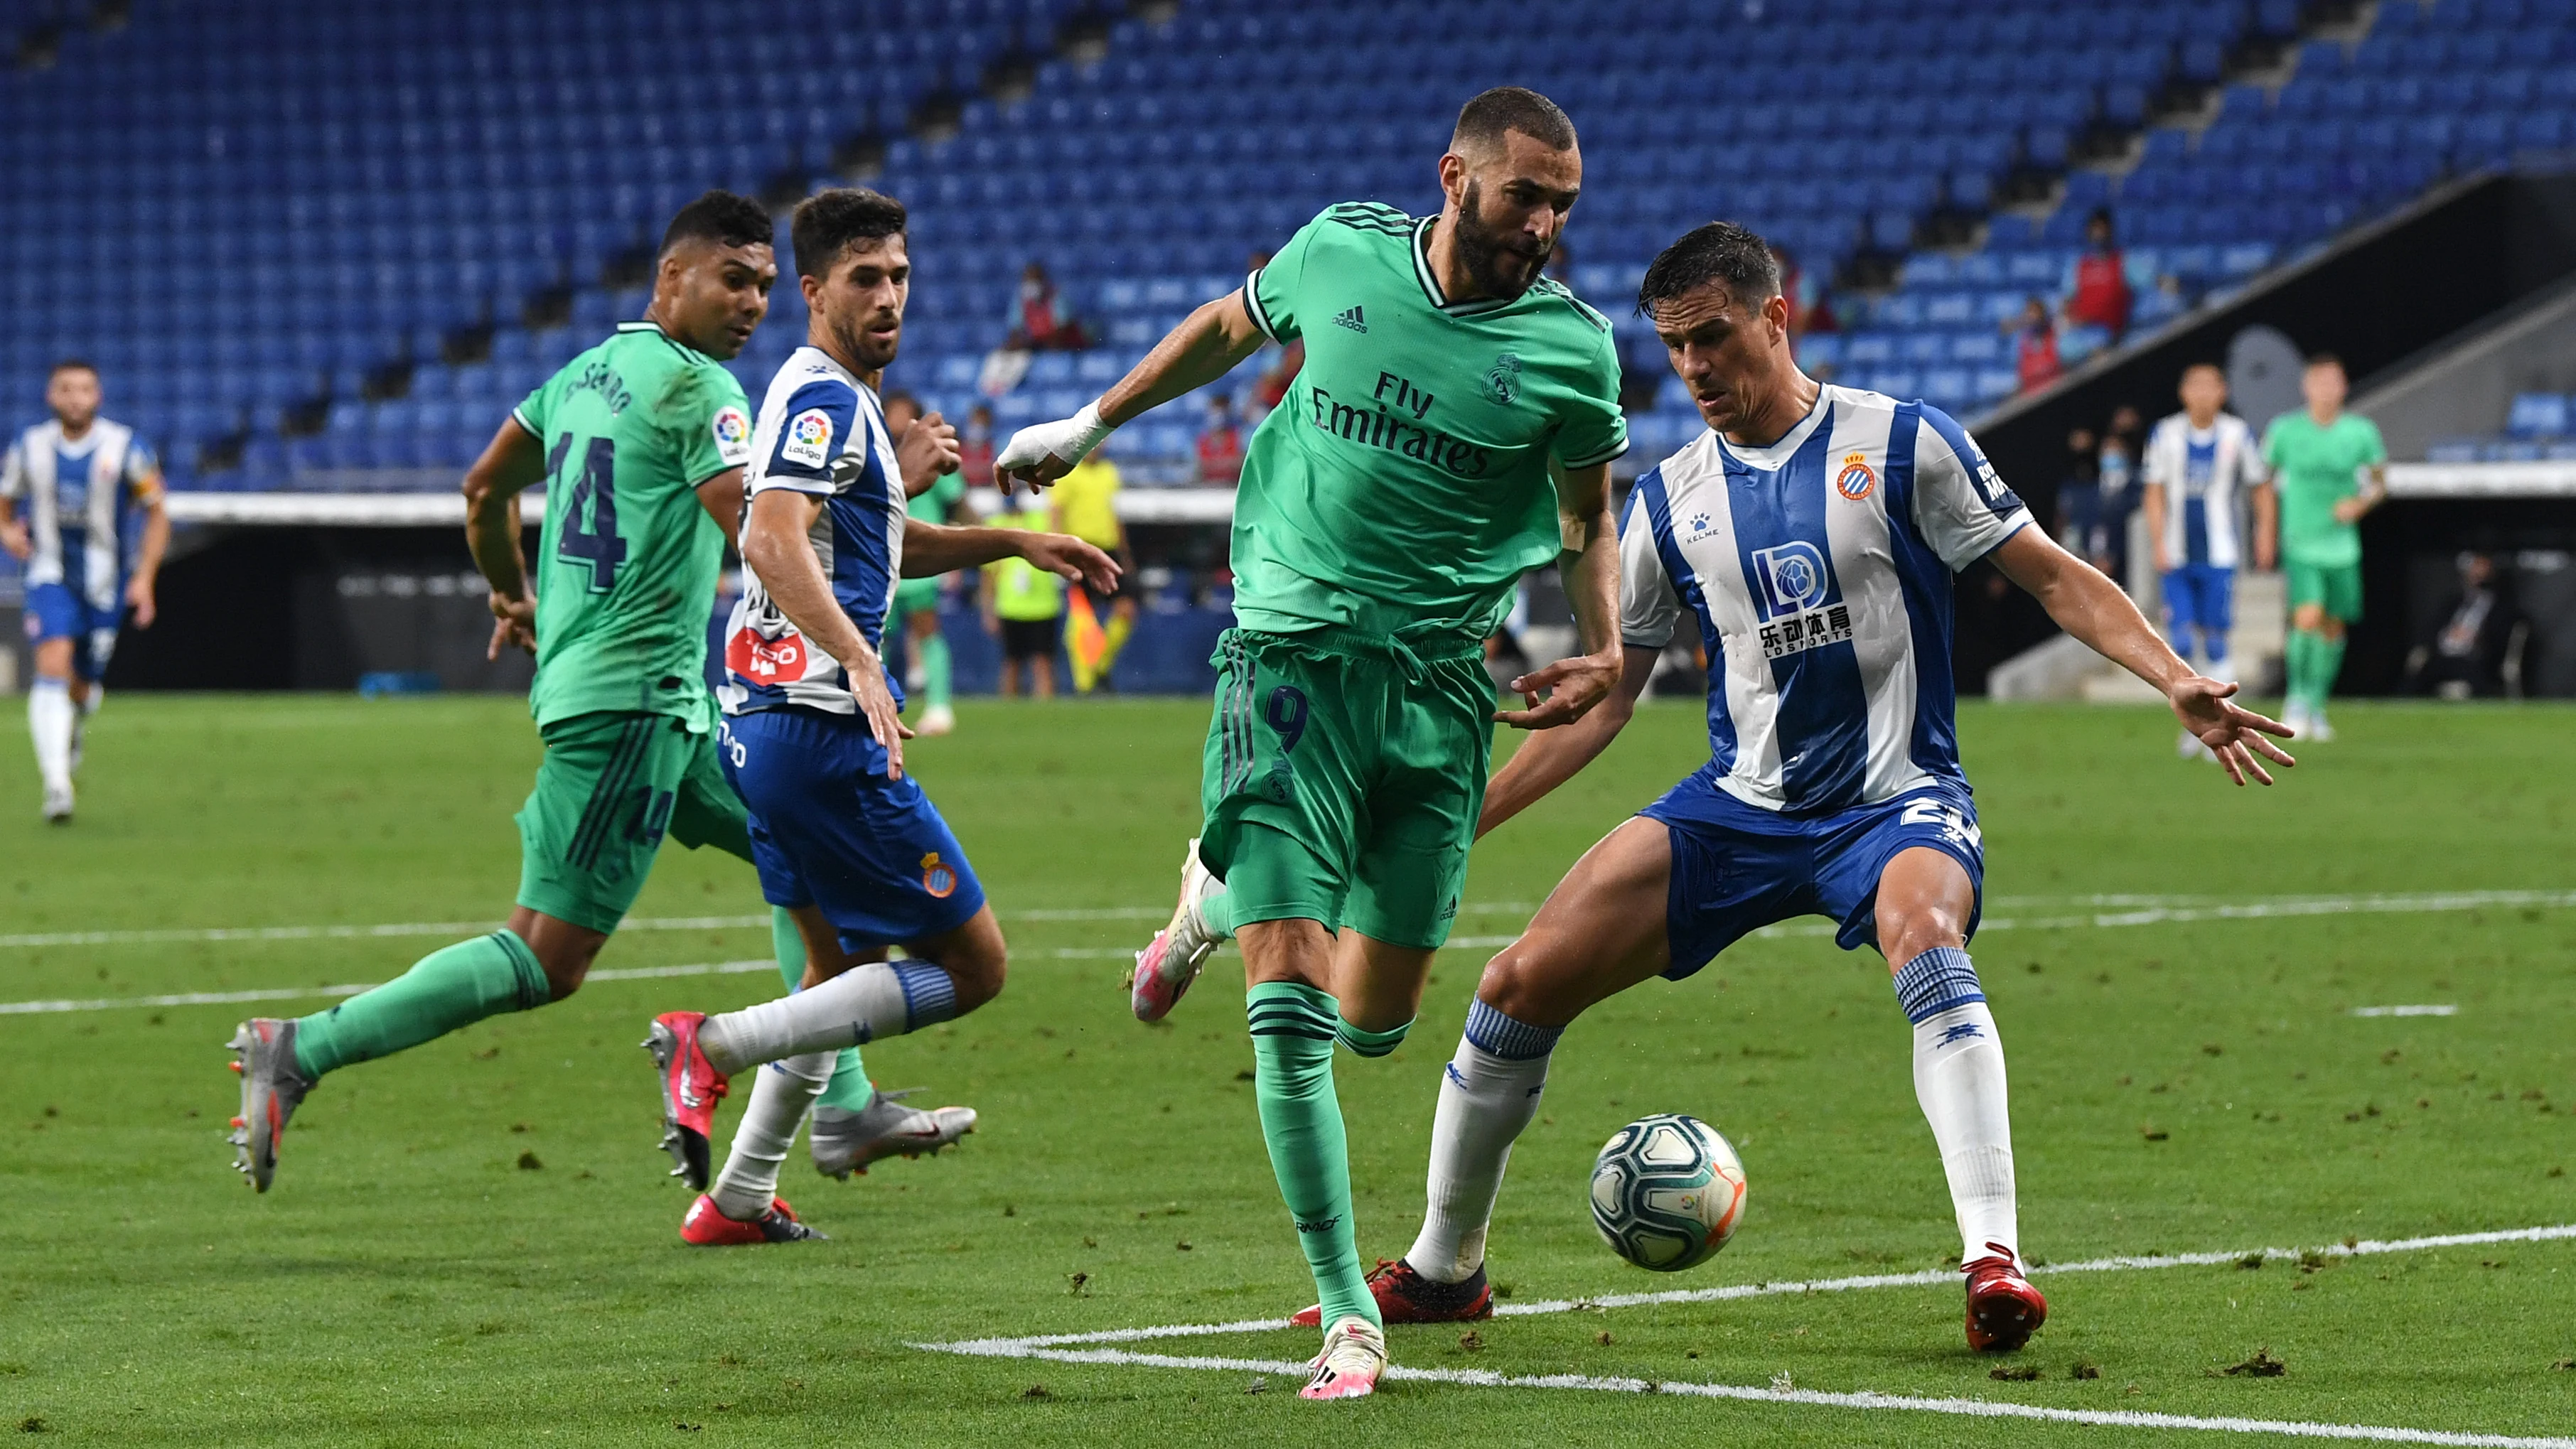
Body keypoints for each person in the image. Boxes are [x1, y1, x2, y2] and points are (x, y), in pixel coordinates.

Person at [1326, 220, 2293, 1354]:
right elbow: (1611, 695)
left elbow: (2053, 575)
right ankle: (1447, 1269)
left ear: (1775, 317)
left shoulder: (1900, 446)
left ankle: (1994, 1257)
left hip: (1896, 799)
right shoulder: (1669, 499)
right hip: (1740, 804)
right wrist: (1459, 820)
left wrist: (2173, 676)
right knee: (1516, 980)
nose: (1693, 369)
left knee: (1925, 929)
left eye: (1713, 336)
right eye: (1675, 347)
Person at [997, 86, 1628, 1401]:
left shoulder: (1572, 353)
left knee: (1374, 1023)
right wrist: (1090, 424)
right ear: (1452, 175)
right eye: (1525, 194)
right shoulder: (1338, 251)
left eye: (1563, 201)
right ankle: (1349, 1308)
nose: (1546, 222)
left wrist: (1605, 645)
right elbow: (1226, 328)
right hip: (1283, 660)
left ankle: (1205, 898)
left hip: (1440, 692)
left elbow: (1586, 520)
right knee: (1287, 1013)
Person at [223, 193, 839, 1196]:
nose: (756, 302)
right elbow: (763, 539)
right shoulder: (702, 389)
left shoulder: (580, 375)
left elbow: (483, 489)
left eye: (766, 284)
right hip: (633, 707)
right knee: (546, 958)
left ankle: (844, 1100)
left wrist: (512, 593)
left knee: (803, 845)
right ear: (674, 276)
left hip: (659, 702)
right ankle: (297, 1047)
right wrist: (888, 491)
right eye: (736, 278)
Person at [648, 188, 1117, 1239]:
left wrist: (1011, 542)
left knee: (835, 974)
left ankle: (740, 1192)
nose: (889, 295)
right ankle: (709, 1046)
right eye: (865, 278)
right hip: (818, 726)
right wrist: (860, 655)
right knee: (975, 965)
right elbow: (768, 539)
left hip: (763, 723)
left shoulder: (838, 398)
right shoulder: (824, 399)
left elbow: (858, 549)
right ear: (813, 291)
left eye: (900, 274)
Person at [0, 360, 166, 823]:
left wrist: (145, 577)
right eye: (66, 389)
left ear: (98, 396)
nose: (76, 398)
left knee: (83, 687)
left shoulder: (127, 447)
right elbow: (5, 499)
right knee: (51, 663)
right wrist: (8, 531)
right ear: (51, 397)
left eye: (85, 389)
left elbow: (157, 511)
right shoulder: (29, 447)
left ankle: (72, 725)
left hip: (104, 583)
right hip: (48, 574)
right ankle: (57, 786)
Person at [2142, 363, 2274, 760]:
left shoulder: (2238, 434)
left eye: (2209, 385)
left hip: (2219, 554)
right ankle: (2192, 727)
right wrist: (2158, 542)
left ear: (2223, 391)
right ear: (2184, 392)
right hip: (2177, 554)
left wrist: (2265, 533)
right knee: (2180, 642)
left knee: (2216, 641)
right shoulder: (2165, 434)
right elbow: (2154, 491)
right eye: (2194, 385)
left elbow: (2261, 486)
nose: (2201, 393)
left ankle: (2226, 725)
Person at [2260, 352, 2385, 740]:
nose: (2327, 390)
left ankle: (2317, 703)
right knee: (2308, 619)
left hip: (2343, 545)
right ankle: (2296, 699)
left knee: (2333, 627)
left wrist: (2360, 503)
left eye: (2334, 382)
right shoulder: (2284, 431)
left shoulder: (2361, 432)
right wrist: (2266, 529)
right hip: (2302, 540)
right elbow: (2261, 479)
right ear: (2307, 387)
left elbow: (2379, 482)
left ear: (2344, 387)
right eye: (2320, 382)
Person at [886, 389, 973, 738]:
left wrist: (959, 553)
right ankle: (876, 706)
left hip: (921, 559)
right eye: (893, 412)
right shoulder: (870, 451)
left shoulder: (931, 453)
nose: (897, 420)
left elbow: (957, 503)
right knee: (874, 638)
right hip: (882, 562)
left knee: (927, 631)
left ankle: (938, 707)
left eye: (904, 413)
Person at [1049, 445, 1134, 691]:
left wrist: (1124, 552)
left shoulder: (1109, 472)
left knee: (1126, 610)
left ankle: (1100, 666)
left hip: (1108, 550)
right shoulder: (1067, 473)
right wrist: (1059, 548)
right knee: (1082, 616)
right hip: (1080, 549)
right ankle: (1085, 683)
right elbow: (1057, 512)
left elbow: (1114, 514)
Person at [981, 492, 1063, 698]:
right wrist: (988, 611)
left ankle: (1044, 713)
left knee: (1042, 663)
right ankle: (1009, 712)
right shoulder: (995, 525)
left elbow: (1057, 525)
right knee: (1012, 663)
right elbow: (989, 575)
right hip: (1011, 605)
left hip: (1042, 604)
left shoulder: (1039, 519)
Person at [2063, 207, 2132, 340]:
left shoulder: (2124, 262)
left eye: (2102, 229)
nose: (2099, 234)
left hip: (2113, 334)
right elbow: (2066, 300)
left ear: (2110, 231)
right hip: (2082, 333)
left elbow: (2157, 282)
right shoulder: (2079, 266)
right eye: (2095, 229)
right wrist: (2069, 318)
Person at [1006, 260, 1088, 352]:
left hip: (1067, 347)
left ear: (1043, 281)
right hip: (1040, 347)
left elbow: (1063, 330)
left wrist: (1037, 343)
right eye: (1028, 280)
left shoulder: (1057, 298)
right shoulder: (1021, 302)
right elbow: (1016, 331)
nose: (1031, 284)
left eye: (1034, 280)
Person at [2009, 298, 2061, 394]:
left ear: (2043, 314)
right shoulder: (2022, 341)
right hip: (2032, 393)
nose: (2033, 317)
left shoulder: (2056, 334)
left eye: (2036, 312)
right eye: (2030, 313)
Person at [1195, 393, 1245, 486]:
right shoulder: (1203, 440)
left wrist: (1216, 464)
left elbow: (1240, 463)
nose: (1217, 417)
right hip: (1207, 486)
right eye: (1214, 412)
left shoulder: (1236, 437)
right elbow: (1198, 466)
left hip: (1232, 485)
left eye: (1220, 412)